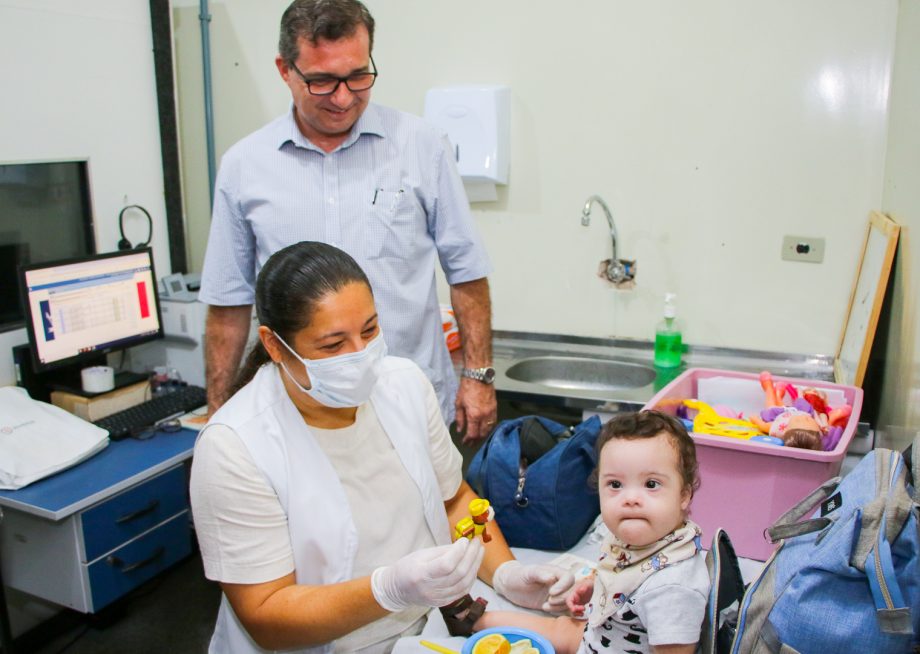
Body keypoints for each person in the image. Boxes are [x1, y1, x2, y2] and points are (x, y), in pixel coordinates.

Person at [189, 242, 573, 653]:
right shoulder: (235, 446)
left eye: (369, 330)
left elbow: (453, 500)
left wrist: (505, 575)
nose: (361, 357)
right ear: (275, 345)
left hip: (426, 630)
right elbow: (265, 614)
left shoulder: (403, 383)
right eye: (333, 345)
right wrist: (388, 589)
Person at [198, 0, 496, 442]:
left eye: (358, 76)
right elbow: (227, 303)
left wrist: (478, 376)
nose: (342, 97)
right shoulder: (245, 166)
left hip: (408, 404)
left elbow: (467, 272)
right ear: (285, 70)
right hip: (296, 413)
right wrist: (219, 415)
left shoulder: (421, 145)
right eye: (321, 81)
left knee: (434, 509)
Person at [473, 411, 711, 654]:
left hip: (603, 641)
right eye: (615, 485)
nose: (630, 499)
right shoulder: (640, 541)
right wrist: (593, 584)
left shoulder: (673, 589)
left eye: (651, 484)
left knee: (563, 630)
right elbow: (624, 571)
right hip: (599, 631)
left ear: (684, 495)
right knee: (560, 627)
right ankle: (468, 618)